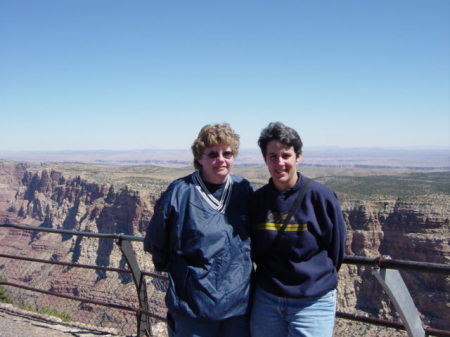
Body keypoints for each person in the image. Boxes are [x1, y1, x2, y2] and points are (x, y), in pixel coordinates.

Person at [144, 123, 253, 337]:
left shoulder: (244, 190)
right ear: (199, 158)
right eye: (212, 154)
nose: (221, 159)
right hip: (193, 307)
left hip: (238, 307)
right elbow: (156, 242)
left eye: (227, 153)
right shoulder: (179, 193)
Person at [250, 122, 346, 337]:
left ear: (298, 157)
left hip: (312, 302)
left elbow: (337, 249)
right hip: (267, 300)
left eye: (286, 155)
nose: (280, 163)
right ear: (265, 159)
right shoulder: (258, 201)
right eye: (273, 156)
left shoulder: (321, 197)